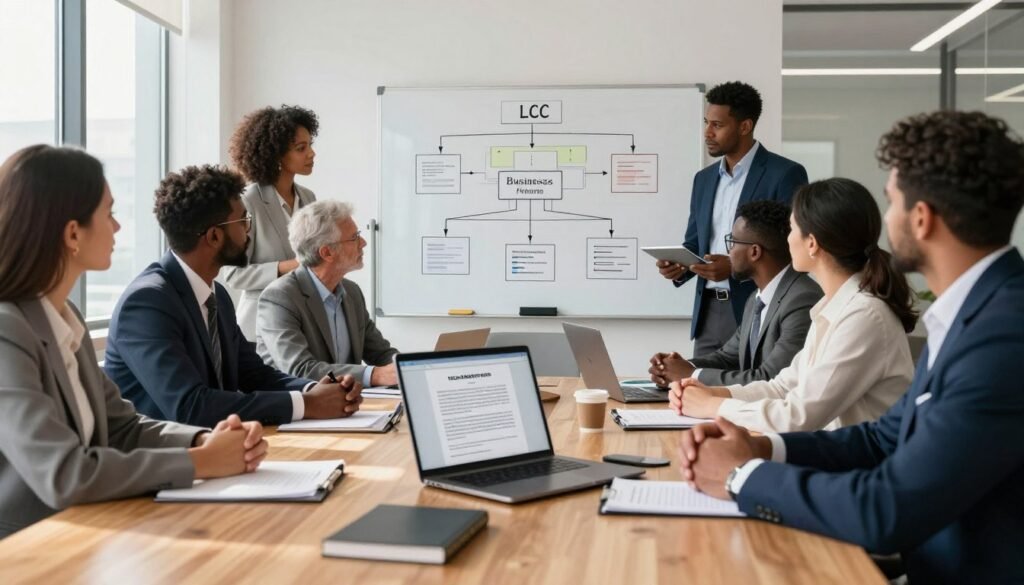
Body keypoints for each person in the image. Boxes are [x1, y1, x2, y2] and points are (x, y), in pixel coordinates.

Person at [678, 110, 1024, 585]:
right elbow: (882, 438)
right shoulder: (974, 313)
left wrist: (742, 476)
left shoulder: (1003, 335)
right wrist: (763, 447)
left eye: (893, 201)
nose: (887, 220)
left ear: (921, 219)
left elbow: (888, 509)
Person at [0, 145, 267, 538]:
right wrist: (201, 462)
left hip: (90, 528)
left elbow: (122, 427)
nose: (118, 228)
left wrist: (203, 439)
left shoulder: (64, 317)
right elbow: (65, 473)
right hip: (30, 547)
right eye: (108, 213)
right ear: (73, 233)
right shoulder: (8, 331)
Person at [104, 165, 362, 427]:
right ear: (215, 236)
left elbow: (252, 373)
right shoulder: (148, 303)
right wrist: (307, 405)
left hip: (219, 447)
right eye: (243, 221)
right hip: (168, 460)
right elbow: (190, 406)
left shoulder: (217, 296)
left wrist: (317, 389)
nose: (249, 231)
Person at [669, 178, 916, 433]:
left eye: (791, 229)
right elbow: (782, 387)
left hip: (858, 467)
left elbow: (799, 415)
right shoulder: (831, 306)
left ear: (812, 243)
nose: (786, 240)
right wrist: (712, 392)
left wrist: (713, 406)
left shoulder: (864, 315)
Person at [657, 82, 808, 356]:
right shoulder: (703, 180)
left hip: (758, 305)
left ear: (744, 126)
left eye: (717, 125)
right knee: (698, 388)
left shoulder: (784, 174)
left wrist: (735, 267)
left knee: (752, 389)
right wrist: (679, 264)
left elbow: (791, 247)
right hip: (707, 312)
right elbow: (694, 243)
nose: (707, 132)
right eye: (706, 123)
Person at [649, 200, 821, 386]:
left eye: (732, 242)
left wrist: (691, 374)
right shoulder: (757, 298)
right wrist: (675, 367)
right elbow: (728, 358)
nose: (728, 251)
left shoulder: (801, 300)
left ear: (754, 252)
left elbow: (771, 379)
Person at [256, 201, 399, 386]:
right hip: (297, 408)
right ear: (327, 252)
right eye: (354, 237)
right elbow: (301, 369)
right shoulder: (280, 298)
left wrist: (411, 368)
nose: (363, 243)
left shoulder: (352, 292)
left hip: (346, 406)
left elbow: (380, 354)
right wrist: (374, 375)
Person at [222, 105, 319, 340]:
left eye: (310, 145)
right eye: (301, 148)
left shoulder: (309, 198)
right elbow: (234, 274)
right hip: (259, 328)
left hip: (302, 326)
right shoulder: (248, 201)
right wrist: (290, 266)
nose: (311, 154)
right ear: (276, 154)